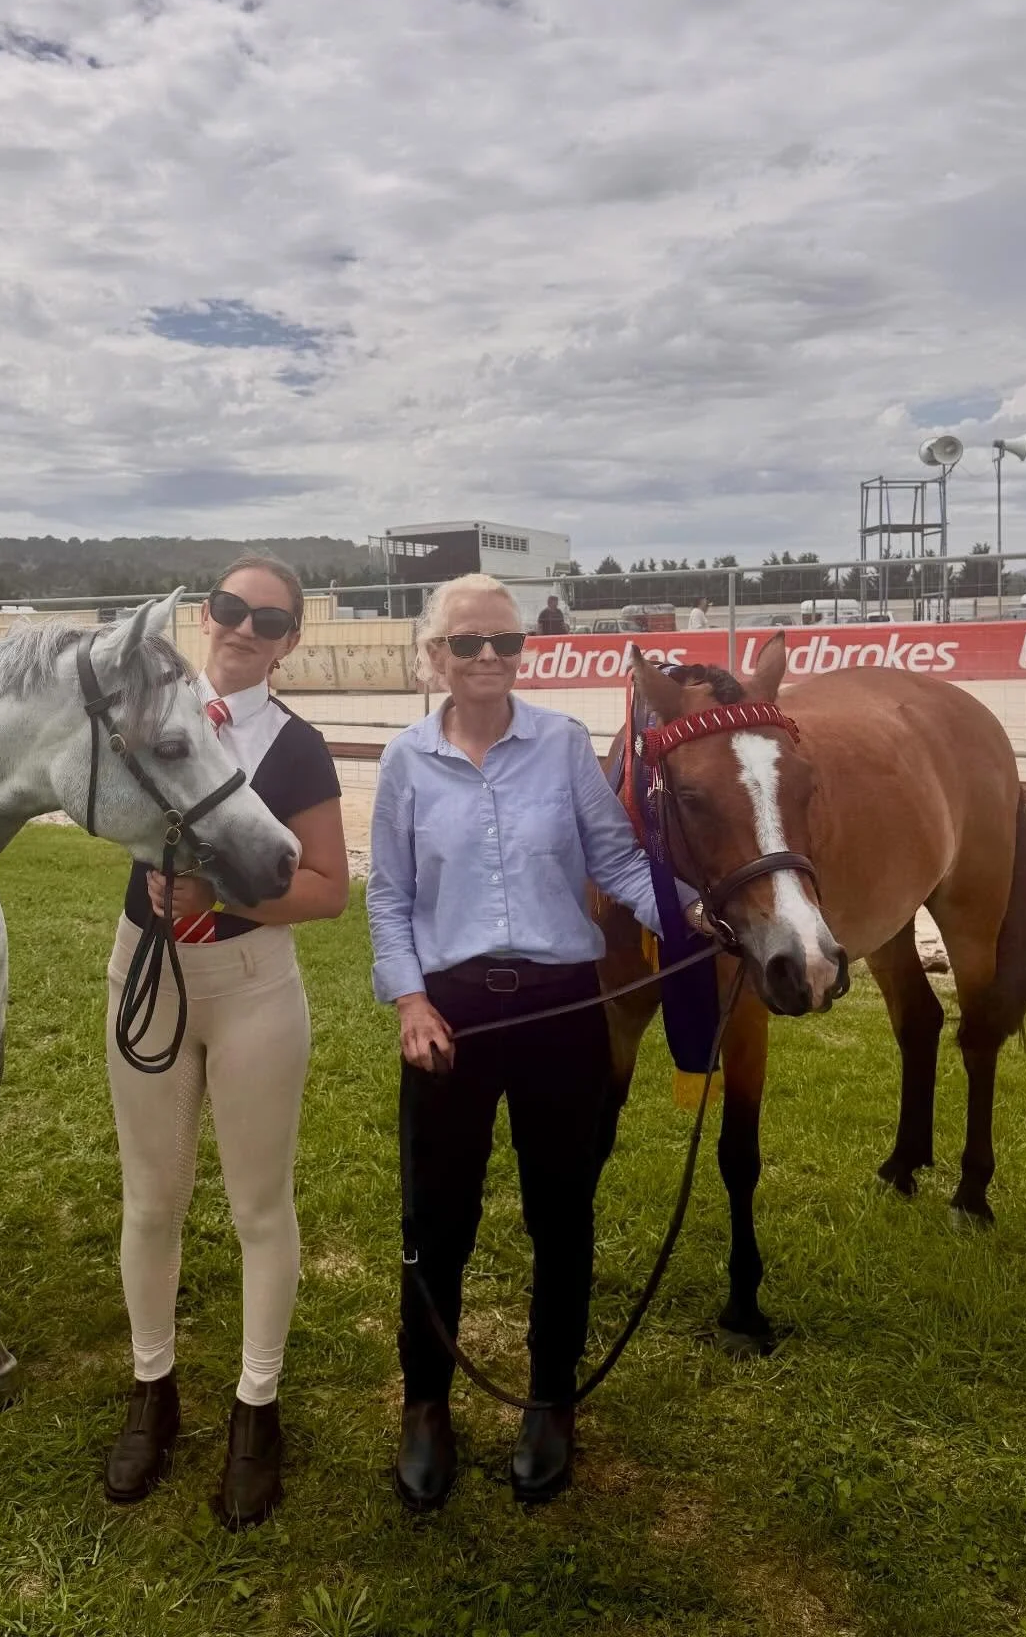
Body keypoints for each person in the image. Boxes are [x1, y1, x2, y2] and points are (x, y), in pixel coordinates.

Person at [367, 573, 707, 1512]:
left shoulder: (561, 746)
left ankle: (551, 1397)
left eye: (506, 642)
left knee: (562, 1213)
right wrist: (410, 1003)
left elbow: (619, 863)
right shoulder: (405, 761)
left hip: (562, 1010)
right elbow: (389, 898)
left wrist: (693, 917)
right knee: (437, 1219)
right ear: (433, 655)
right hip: (451, 1017)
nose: (489, 657)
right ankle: (426, 1404)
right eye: (467, 642)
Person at [103, 556, 349, 1528]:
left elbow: (327, 887)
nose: (245, 627)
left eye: (269, 620)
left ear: (290, 643)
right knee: (151, 1200)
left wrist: (225, 895)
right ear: (206, 614)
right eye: (231, 607)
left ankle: (256, 1406)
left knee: (258, 1207)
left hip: (251, 986)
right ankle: (151, 1389)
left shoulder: (296, 747)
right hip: (147, 973)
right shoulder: (148, 715)